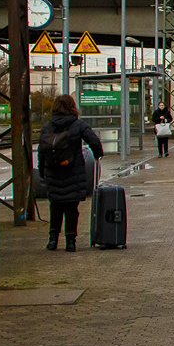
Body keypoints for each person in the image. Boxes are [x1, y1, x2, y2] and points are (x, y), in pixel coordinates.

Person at [38, 94, 103, 252]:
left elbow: (41, 151)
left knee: (55, 207)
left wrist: (42, 172)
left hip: (53, 171)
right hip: (73, 171)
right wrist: (97, 153)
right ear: (72, 107)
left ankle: (53, 240)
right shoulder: (78, 124)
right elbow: (93, 140)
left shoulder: (47, 126)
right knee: (72, 208)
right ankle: (70, 242)